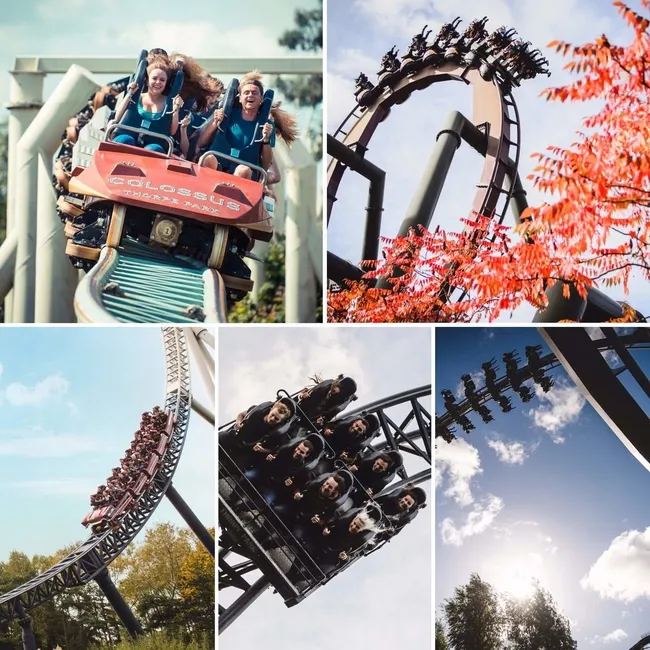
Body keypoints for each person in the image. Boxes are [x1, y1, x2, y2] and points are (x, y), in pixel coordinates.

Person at [197, 71, 297, 180]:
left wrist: (266, 139)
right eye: (246, 92)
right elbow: (201, 143)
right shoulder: (225, 114)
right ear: (240, 98)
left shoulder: (266, 126)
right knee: (209, 159)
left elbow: (266, 164)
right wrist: (215, 123)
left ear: (261, 99)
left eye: (254, 93)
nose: (250, 95)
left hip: (244, 175)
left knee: (243, 170)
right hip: (218, 166)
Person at [112, 56, 182, 153]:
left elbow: (172, 131)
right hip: (127, 137)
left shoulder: (169, 102)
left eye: (162, 80)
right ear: (146, 80)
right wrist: (130, 93)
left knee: (154, 150)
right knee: (126, 141)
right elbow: (117, 117)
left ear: (166, 83)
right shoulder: (138, 97)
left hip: (153, 143)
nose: (158, 82)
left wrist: (176, 108)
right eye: (154, 78)